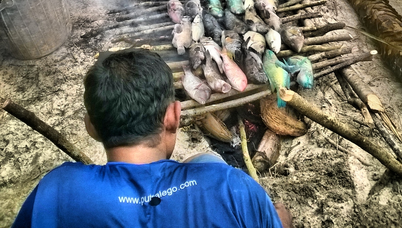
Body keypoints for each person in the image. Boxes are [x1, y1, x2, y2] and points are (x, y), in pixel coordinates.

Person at [11, 48, 293, 228]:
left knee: (204, 159)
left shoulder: (57, 191)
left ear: (91, 127)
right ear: (173, 117)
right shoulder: (232, 188)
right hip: (219, 185)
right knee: (208, 161)